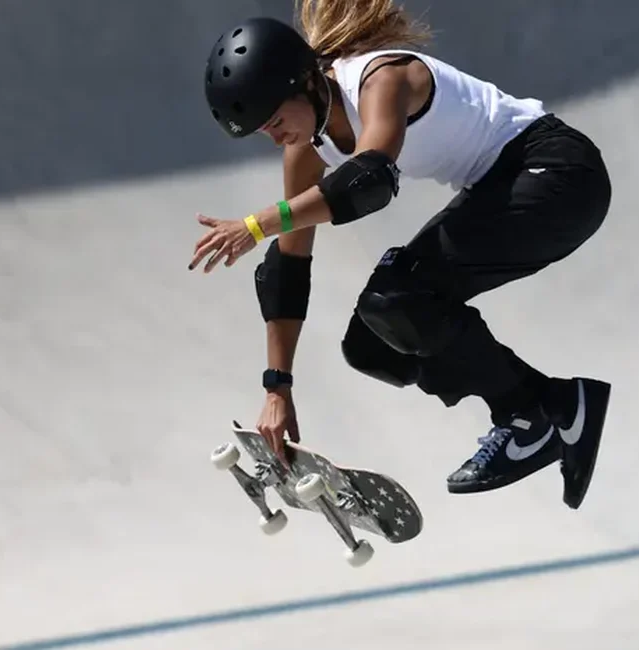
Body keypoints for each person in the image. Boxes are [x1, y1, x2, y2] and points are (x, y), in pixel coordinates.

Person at [189, 0, 613, 509]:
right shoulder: (305, 146)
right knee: (372, 345)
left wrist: (255, 224)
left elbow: (369, 180)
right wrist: (277, 387)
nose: (276, 136)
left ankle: (527, 414)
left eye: (276, 120)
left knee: (397, 297)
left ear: (304, 82)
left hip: (557, 173)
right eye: (263, 131)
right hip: (508, 189)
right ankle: (558, 405)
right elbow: (287, 268)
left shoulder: (381, 79)